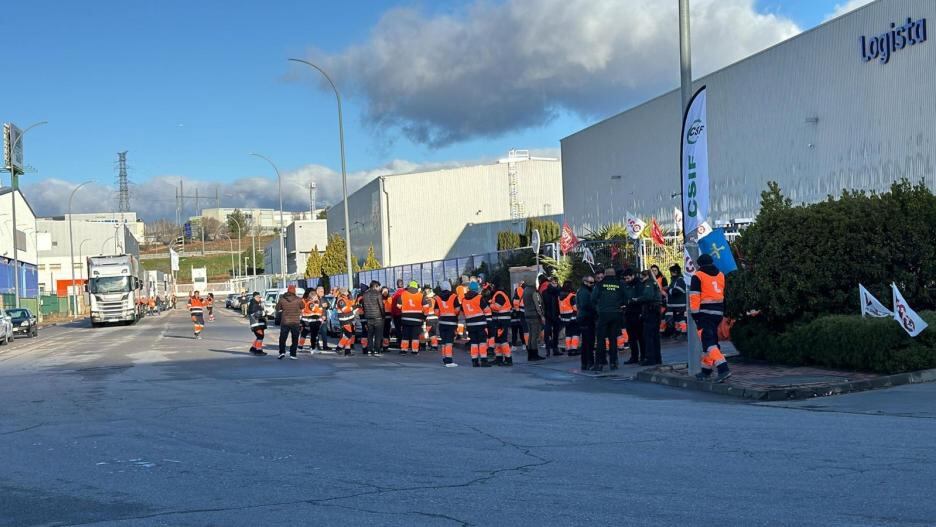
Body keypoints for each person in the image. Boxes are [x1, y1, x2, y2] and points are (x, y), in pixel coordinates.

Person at [690, 254, 732, 382]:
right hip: (718, 313)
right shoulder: (720, 275)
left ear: (699, 264)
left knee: (709, 343)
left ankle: (723, 368)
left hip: (704, 313)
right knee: (709, 342)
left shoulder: (698, 276)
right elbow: (723, 294)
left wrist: (695, 314)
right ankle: (706, 371)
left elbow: (695, 296)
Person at [591, 268, 624, 371]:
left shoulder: (600, 285)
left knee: (600, 340)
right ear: (614, 274)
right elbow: (625, 297)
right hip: (615, 314)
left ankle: (599, 364)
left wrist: (598, 308)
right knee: (613, 339)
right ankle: (613, 363)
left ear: (605, 275)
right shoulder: (619, 284)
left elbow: (593, 298)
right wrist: (618, 305)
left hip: (603, 314)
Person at [636, 270, 663, 365]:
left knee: (648, 336)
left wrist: (637, 299)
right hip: (655, 311)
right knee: (655, 336)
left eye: (642, 277)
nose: (641, 279)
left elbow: (648, 296)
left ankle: (650, 359)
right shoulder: (654, 283)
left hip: (650, 311)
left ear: (646, 276)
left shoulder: (649, 284)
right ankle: (657, 358)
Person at [461, 281, 491, 367]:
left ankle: (474, 361)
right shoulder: (479, 297)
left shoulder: (463, 299)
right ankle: (484, 360)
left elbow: (463, 311)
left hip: (470, 325)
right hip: (480, 324)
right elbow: (487, 310)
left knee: (473, 343)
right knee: (482, 342)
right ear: (477, 289)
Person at [396, 280, 427, 355]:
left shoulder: (403, 294)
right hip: (417, 319)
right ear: (417, 287)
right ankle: (415, 350)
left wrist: (405, 309)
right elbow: (426, 307)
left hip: (405, 319)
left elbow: (398, 306)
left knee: (405, 335)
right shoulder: (421, 295)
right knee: (415, 336)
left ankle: (404, 350)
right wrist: (423, 315)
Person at [621, 268, 644, 364]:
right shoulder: (625, 285)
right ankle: (634, 357)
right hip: (628, 313)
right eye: (625, 278)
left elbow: (641, 298)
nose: (626, 280)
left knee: (641, 337)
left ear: (633, 276)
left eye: (628, 278)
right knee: (632, 337)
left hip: (637, 313)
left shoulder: (639, 285)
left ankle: (643, 356)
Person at [434, 281, 460, 367]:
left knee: (444, 342)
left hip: (442, 322)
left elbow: (436, 312)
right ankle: (449, 360)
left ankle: (445, 359)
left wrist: (442, 314)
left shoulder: (437, 298)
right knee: (449, 342)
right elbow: (457, 310)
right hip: (451, 322)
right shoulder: (453, 296)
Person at [275, 285, 303, 360]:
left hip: (285, 321)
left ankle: (282, 352)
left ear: (287, 290)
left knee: (283, 338)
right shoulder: (298, 299)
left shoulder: (282, 299)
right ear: (294, 291)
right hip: (295, 321)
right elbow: (302, 306)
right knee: (295, 338)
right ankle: (293, 354)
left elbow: (277, 308)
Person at [488, 282, 513, 366]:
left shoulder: (499, 294)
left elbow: (497, 307)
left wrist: (490, 304)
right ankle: (499, 359)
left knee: (503, 341)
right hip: (499, 321)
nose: (491, 287)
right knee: (498, 341)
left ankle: (508, 359)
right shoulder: (498, 294)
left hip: (502, 321)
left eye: (492, 285)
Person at [575, 275, 597, 371]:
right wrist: (595, 309)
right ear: (585, 282)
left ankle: (585, 363)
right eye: (591, 283)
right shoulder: (585, 292)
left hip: (584, 318)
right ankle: (589, 362)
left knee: (586, 342)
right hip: (586, 318)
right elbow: (586, 305)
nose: (592, 284)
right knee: (589, 342)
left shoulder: (582, 291)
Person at [522, 279, 545, 362]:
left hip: (527, 314)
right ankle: (534, 354)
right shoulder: (534, 292)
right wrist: (541, 315)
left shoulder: (525, 290)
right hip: (534, 315)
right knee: (534, 335)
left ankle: (530, 354)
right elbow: (538, 304)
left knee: (531, 335)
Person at [361, 280, 385, 357]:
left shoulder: (365, 294)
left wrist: (366, 314)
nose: (379, 288)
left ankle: (369, 349)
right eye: (378, 287)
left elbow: (364, 306)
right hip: (378, 317)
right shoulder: (378, 294)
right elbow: (381, 306)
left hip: (368, 317)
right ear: (375, 286)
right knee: (378, 335)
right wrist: (383, 315)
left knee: (370, 334)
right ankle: (377, 350)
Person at [539, 275, 562, 356]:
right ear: (550, 283)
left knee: (555, 332)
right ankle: (548, 349)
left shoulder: (558, 292)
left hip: (556, 314)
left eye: (556, 283)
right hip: (548, 315)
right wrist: (543, 314)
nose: (554, 284)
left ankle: (555, 349)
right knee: (547, 332)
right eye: (553, 283)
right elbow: (542, 304)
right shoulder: (546, 292)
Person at [666, 264, 688, 339]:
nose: (670, 273)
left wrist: (669, 289)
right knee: (676, 320)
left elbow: (678, 291)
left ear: (675, 272)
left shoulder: (680, 280)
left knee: (681, 319)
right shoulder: (674, 280)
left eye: (671, 272)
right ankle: (678, 332)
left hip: (680, 304)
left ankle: (683, 333)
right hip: (674, 304)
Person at [558, 280, 579, 357]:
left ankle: (569, 348)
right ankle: (574, 349)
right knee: (575, 333)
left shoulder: (560, 296)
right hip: (573, 318)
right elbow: (575, 308)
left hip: (564, 319)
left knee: (568, 334)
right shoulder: (571, 296)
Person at [247, 291, 268, 356]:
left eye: (260, 297)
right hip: (256, 323)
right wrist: (263, 313)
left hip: (258, 323)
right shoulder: (254, 304)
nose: (260, 298)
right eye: (259, 297)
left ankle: (253, 348)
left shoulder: (256, 303)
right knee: (260, 336)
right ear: (255, 297)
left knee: (259, 336)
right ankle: (258, 350)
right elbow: (256, 314)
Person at [510, 281, 529, 349]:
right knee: (522, 331)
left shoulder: (513, 299)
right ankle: (524, 344)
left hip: (515, 317)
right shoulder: (524, 296)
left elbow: (512, 307)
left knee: (515, 332)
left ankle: (514, 345)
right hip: (520, 316)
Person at [422, 284, 440, 351]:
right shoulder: (436, 297)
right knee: (433, 332)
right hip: (436, 317)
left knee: (431, 333)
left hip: (430, 317)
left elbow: (426, 308)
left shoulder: (426, 298)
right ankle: (432, 345)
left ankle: (434, 345)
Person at [391, 279, 405, 348]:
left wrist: (392, 314)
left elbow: (393, 305)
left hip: (397, 314)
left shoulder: (395, 294)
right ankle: (405, 344)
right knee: (405, 330)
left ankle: (401, 344)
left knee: (399, 330)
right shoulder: (405, 293)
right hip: (405, 314)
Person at [381, 287, 394, 352]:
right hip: (381, 318)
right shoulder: (379, 298)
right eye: (384, 291)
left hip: (388, 318)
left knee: (386, 333)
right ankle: (380, 346)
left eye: (386, 291)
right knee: (381, 333)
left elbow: (392, 307)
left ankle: (385, 347)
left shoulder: (390, 298)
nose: (385, 293)